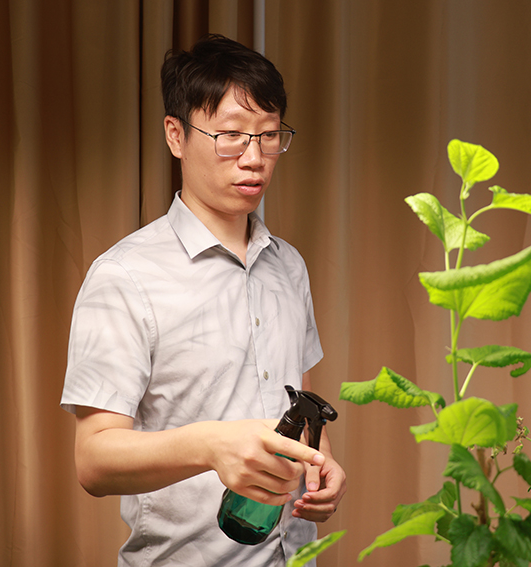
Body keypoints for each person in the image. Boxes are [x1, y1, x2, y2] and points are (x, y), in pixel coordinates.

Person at [60, 34, 346, 566]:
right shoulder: (124, 276)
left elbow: (299, 402)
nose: (254, 158)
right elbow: (94, 460)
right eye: (231, 136)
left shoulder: (288, 265)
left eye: (269, 136)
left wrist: (320, 461)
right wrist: (211, 446)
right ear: (176, 135)